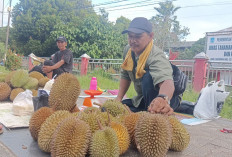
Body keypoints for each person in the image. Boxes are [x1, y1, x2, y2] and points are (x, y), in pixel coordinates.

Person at [116, 17, 180, 115]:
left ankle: (156, 111)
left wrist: (162, 98)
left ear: (150, 36)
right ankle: (146, 108)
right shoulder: (128, 50)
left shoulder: (156, 55)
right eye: (130, 36)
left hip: (166, 97)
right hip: (143, 98)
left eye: (137, 36)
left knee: (147, 77)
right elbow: (125, 75)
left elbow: (166, 81)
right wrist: (118, 99)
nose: (132, 41)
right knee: (116, 109)